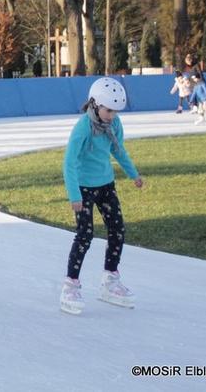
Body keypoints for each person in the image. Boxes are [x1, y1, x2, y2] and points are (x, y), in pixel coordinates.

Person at [60, 77, 143, 315]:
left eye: (116, 111)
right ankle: (70, 285)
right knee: (85, 235)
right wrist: (74, 195)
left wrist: (133, 174)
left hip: (106, 184)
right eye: (109, 110)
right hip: (84, 189)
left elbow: (119, 150)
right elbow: (69, 163)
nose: (112, 116)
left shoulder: (114, 125)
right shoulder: (83, 128)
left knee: (118, 230)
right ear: (95, 104)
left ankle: (110, 280)